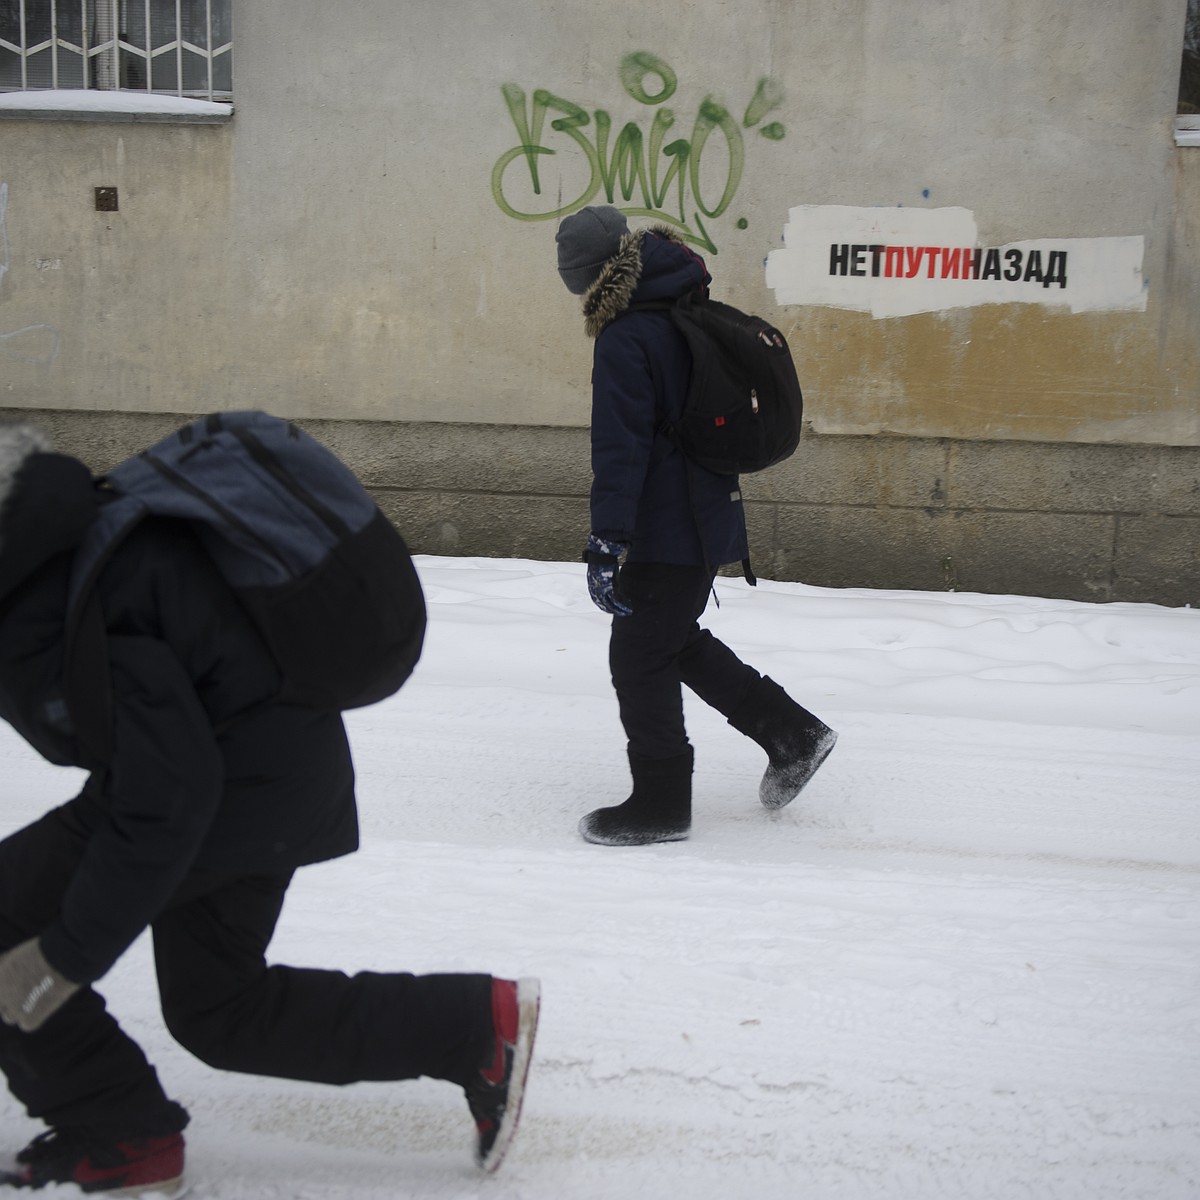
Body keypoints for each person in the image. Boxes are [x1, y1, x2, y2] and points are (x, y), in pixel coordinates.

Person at [0, 424, 540, 1194]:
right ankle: (471, 1027)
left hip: (225, 792)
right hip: (271, 772)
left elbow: (164, 800)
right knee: (218, 1008)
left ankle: (122, 1137)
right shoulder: (46, 543)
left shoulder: (51, 595)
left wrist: (62, 958)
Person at [555, 205, 838, 847]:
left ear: (586, 276)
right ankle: (793, 736)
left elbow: (621, 449)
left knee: (638, 656)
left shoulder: (628, 336)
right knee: (671, 639)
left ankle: (660, 802)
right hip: (700, 511)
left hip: (668, 522)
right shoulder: (674, 309)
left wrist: (607, 541)